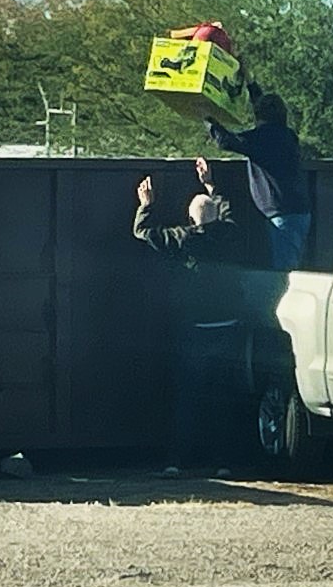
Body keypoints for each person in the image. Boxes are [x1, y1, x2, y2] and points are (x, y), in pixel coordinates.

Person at [132, 158, 244, 479]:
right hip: (228, 327)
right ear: (215, 216)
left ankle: (177, 461)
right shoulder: (229, 235)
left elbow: (142, 232)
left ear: (190, 217)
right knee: (223, 398)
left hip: (193, 329)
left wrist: (146, 204)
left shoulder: (181, 238)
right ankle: (224, 462)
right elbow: (227, 213)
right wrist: (212, 185)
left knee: (187, 399)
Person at [205, 87, 312, 270]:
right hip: (296, 211)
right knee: (289, 262)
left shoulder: (262, 139)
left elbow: (225, 141)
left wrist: (207, 116)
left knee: (284, 272)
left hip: (282, 215)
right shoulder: (287, 135)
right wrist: (250, 84)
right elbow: (263, 111)